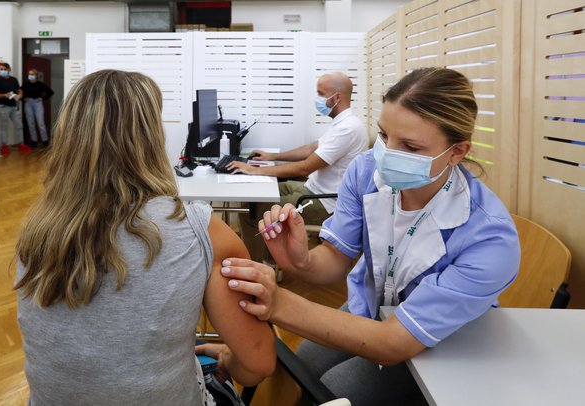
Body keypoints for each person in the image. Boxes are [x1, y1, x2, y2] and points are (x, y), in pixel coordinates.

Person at [220, 67, 521, 404]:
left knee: (335, 389)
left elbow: (394, 343)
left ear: (457, 152)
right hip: (372, 310)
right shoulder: (364, 172)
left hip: (443, 341)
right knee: (300, 368)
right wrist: (302, 260)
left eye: (409, 146)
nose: (387, 155)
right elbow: (336, 259)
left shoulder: (490, 238)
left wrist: (277, 302)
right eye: (383, 135)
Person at [14, 70, 275, 405]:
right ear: (149, 136)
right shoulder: (200, 229)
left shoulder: (36, 231)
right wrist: (226, 359)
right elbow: (256, 364)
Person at [228, 72, 368, 263]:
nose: (317, 99)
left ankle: (259, 265)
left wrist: (255, 170)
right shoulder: (341, 123)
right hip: (311, 189)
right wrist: (272, 157)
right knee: (256, 196)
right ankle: (268, 258)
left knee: (252, 213)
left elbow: (304, 168)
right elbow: (310, 149)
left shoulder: (348, 128)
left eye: (321, 93)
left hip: (324, 203)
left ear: (337, 97)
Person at [0, 62, 32, 156]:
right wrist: (4, 95)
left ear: (9, 70)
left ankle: (22, 144)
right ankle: (4, 146)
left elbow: (19, 89)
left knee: (19, 125)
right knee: (3, 127)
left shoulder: (14, 80)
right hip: (2, 107)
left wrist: (20, 94)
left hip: (13, 106)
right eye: (1, 69)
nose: (2, 71)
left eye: (4, 69)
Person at [22, 68, 54, 147]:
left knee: (41, 123)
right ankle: (34, 141)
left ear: (36, 75)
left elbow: (50, 92)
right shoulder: (25, 84)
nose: (30, 76)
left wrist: (42, 98)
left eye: (32, 74)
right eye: (29, 74)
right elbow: (20, 93)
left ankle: (45, 141)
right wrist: (23, 98)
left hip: (37, 103)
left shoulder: (40, 84)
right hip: (28, 103)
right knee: (31, 123)